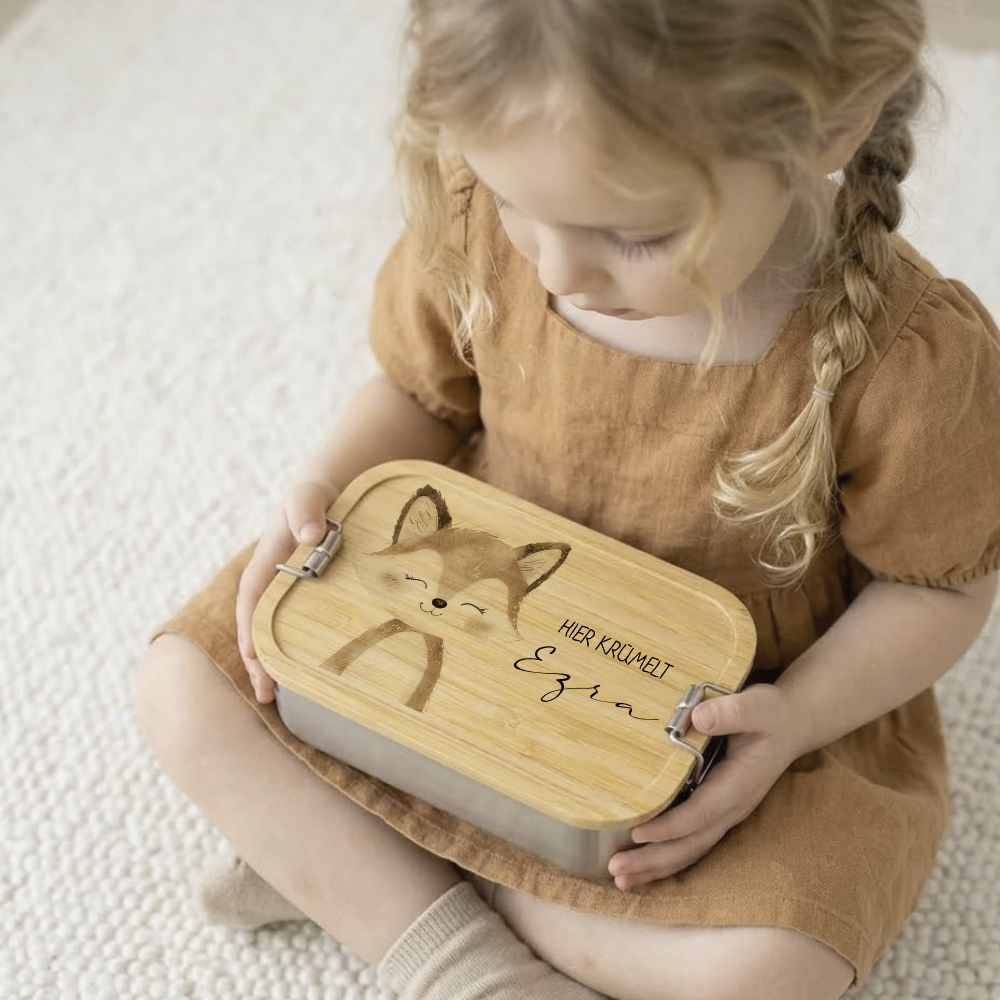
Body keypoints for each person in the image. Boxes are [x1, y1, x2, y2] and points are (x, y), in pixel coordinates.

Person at [134, 1, 1000, 998]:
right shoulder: (482, 221)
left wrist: (796, 718)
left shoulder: (910, 362)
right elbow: (419, 395)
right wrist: (323, 482)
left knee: (768, 970)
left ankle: (382, 871)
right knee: (184, 688)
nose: (555, 269)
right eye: (514, 204)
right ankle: (470, 966)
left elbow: (936, 586)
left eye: (634, 234)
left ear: (825, 129)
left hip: (716, 721)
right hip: (450, 625)